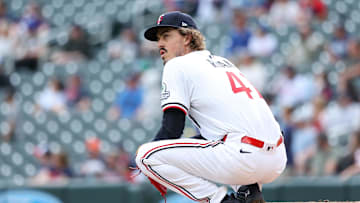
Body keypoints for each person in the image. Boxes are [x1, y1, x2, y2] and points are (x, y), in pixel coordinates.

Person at [135, 11, 287, 203]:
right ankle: (248, 192)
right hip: (276, 158)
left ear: (187, 37)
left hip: (242, 159)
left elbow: (172, 129)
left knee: (146, 155)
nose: (160, 44)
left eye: (166, 36)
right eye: (158, 39)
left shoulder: (177, 65)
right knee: (218, 137)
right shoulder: (224, 63)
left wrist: (152, 160)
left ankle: (220, 200)